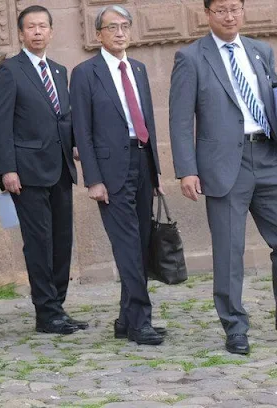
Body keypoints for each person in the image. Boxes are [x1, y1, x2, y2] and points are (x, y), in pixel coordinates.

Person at [169, 0, 277, 355]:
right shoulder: (191, 57)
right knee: (230, 252)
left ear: (243, 11)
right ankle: (235, 327)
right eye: (221, 10)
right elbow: (181, 120)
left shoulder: (261, 51)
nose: (229, 16)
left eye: (235, 8)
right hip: (223, 165)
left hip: (268, 157)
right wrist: (186, 169)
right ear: (208, 14)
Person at [70, 5, 167, 345]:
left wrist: (155, 173)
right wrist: (93, 178)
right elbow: (81, 130)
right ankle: (141, 320)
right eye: (112, 27)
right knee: (126, 245)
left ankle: (126, 318)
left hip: (141, 161)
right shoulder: (85, 72)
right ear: (99, 34)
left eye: (125, 26)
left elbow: (149, 123)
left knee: (139, 243)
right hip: (110, 170)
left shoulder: (138, 68)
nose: (120, 33)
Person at [0, 5, 86, 335]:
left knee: (62, 241)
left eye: (42, 26)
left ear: (51, 32)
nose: (37, 32)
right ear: (20, 33)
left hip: (60, 168)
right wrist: (7, 169)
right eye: (30, 27)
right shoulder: (10, 71)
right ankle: (45, 312)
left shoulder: (59, 70)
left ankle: (58, 305)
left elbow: (66, 117)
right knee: (39, 242)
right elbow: (1, 124)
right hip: (27, 173)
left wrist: (75, 145)